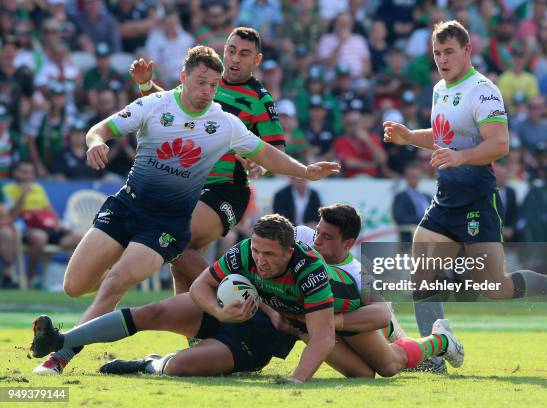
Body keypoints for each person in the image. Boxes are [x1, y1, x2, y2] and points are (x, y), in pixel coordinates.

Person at [33, 45, 339, 375]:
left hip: (166, 223)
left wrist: (305, 170)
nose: (208, 91)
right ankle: (108, 280)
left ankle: (59, 355)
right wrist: (95, 143)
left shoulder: (225, 123)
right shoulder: (155, 104)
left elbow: (267, 154)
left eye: (214, 84)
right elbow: (100, 129)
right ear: (183, 78)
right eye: (201, 83)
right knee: (75, 286)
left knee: (116, 283)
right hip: (126, 205)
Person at [30, 214, 463, 382]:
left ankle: (438, 340)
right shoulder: (251, 251)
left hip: (305, 329)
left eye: (268, 255)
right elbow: (203, 283)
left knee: (380, 369)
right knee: (155, 308)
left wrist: (297, 376)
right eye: (256, 251)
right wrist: (221, 308)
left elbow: (369, 317)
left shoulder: (325, 272)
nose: (260, 259)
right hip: (260, 317)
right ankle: (63, 343)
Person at [382, 20, 547, 341]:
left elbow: (499, 144)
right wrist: (410, 136)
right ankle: (435, 352)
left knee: (497, 287)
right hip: (445, 198)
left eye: (449, 52)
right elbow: (446, 136)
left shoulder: (483, 90)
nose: (442, 59)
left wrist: (459, 157)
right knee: (422, 275)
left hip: (475, 200)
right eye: (437, 53)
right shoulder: (440, 89)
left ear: (468, 50)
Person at [131, 27, 286, 295]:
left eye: (245, 54)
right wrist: (146, 85)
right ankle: (197, 332)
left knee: (173, 240)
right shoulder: (207, 79)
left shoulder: (260, 99)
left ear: (256, 60)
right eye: (232, 51)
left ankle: (240, 297)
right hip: (188, 184)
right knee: (180, 261)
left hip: (226, 189)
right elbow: (170, 109)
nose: (235, 59)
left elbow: (277, 151)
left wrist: (259, 165)